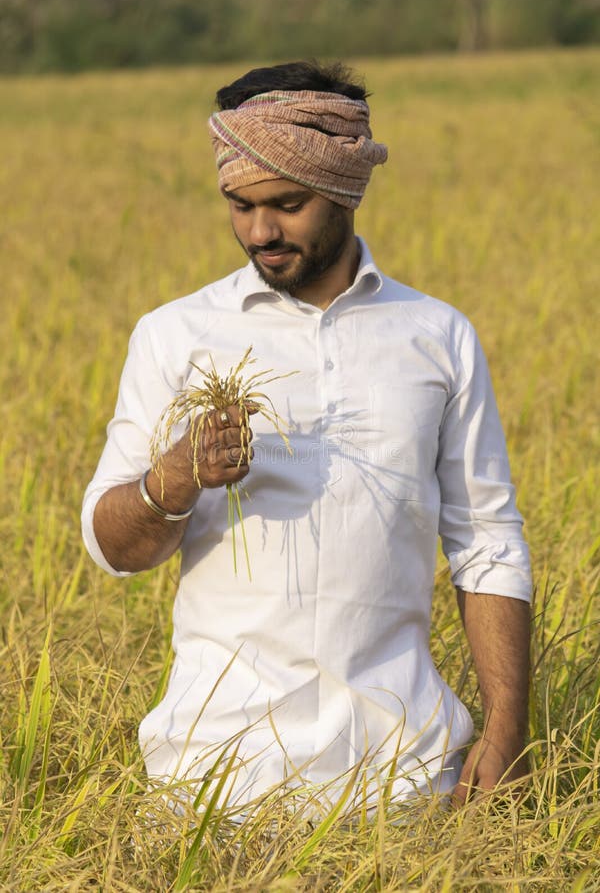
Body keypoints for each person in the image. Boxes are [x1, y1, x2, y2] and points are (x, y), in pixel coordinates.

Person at [82, 61, 532, 812]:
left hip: (407, 777)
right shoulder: (175, 335)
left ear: (346, 190)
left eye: (288, 204)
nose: (260, 231)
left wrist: (507, 734)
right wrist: (175, 478)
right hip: (212, 782)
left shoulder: (437, 336)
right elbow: (113, 549)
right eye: (239, 205)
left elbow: (487, 540)